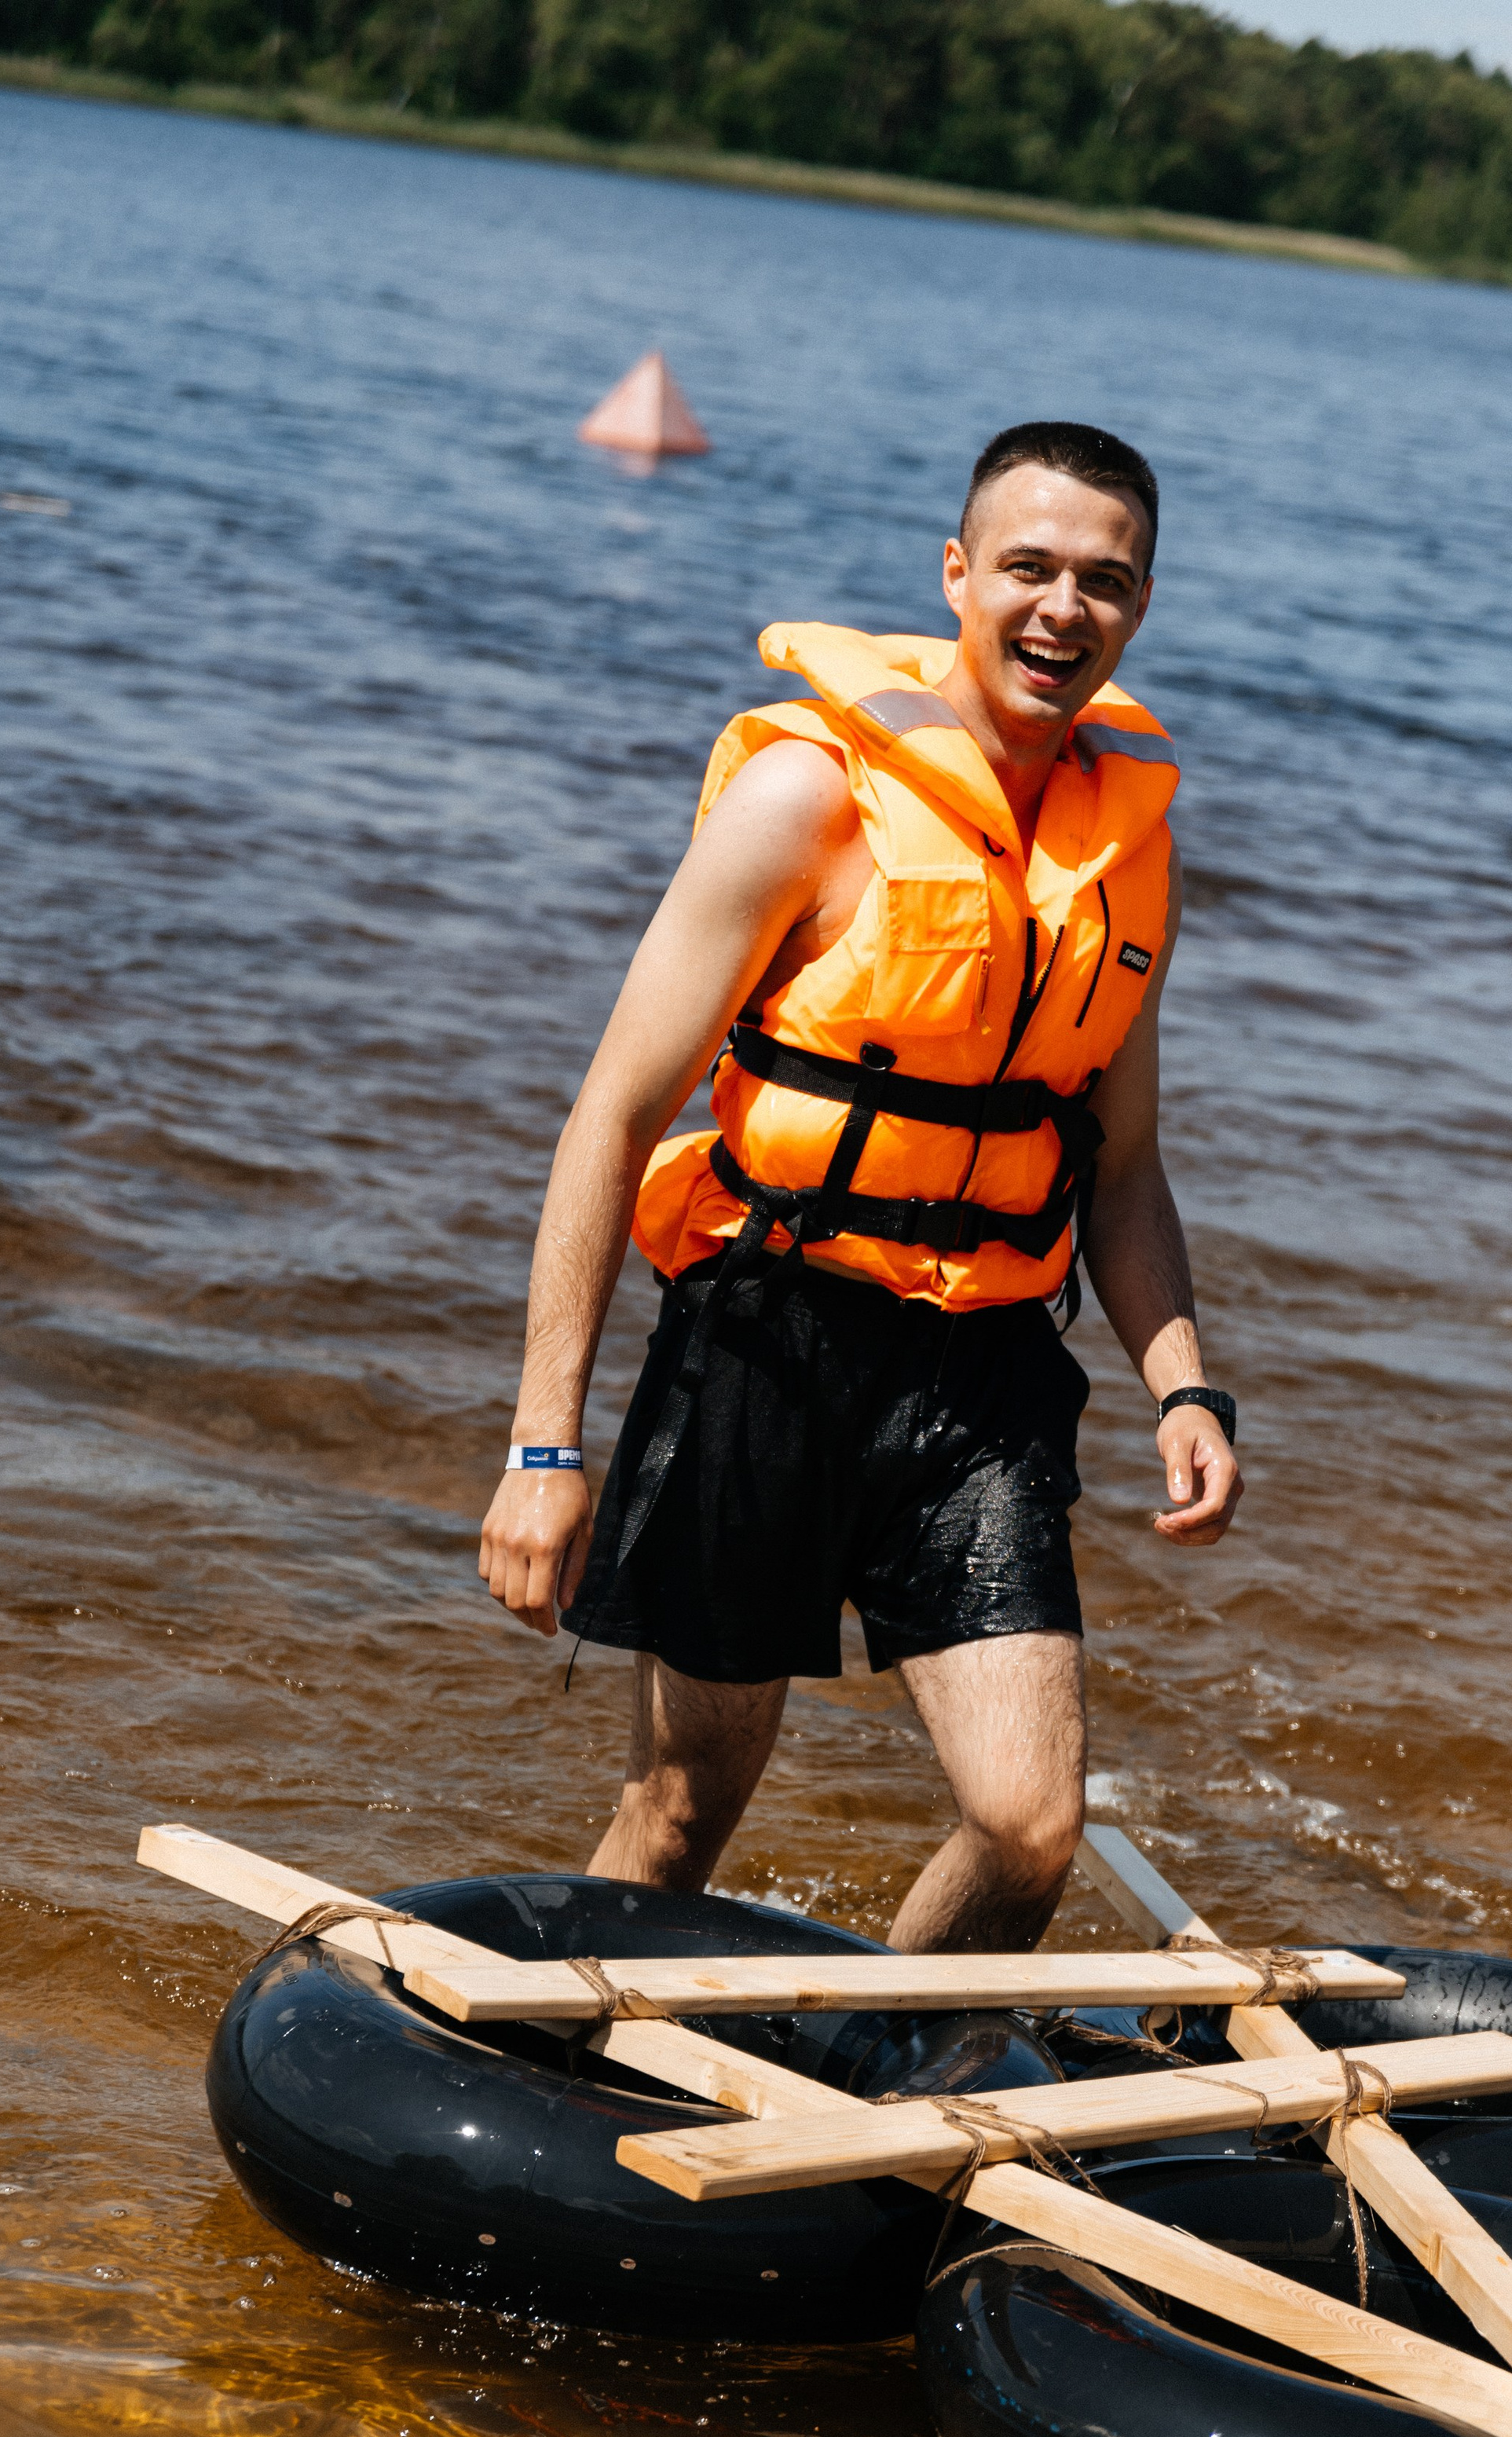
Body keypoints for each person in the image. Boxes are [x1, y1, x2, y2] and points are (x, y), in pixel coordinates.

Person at [478, 419, 1240, 1952]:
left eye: (1103, 579)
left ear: (1139, 606)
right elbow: (611, 1119)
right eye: (1026, 566)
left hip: (982, 1378)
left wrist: (1184, 1389)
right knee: (688, 1802)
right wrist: (542, 1448)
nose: (1059, 609)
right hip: (768, 1339)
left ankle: (872, 2104)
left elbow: (1126, 1162)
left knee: (1031, 1824)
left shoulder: (1123, 855)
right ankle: (563, 2077)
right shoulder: (805, 803)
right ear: (955, 572)